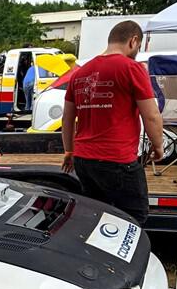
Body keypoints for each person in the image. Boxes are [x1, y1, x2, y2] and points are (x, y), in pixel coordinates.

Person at [61, 20, 163, 225]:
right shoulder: (132, 68)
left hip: (83, 160)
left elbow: (67, 118)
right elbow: (151, 115)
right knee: (135, 218)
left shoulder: (79, 73)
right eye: (138, 46)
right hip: (117, 160)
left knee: (96, 216)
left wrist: (69, 151)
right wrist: (158, 145)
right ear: (133, 41)